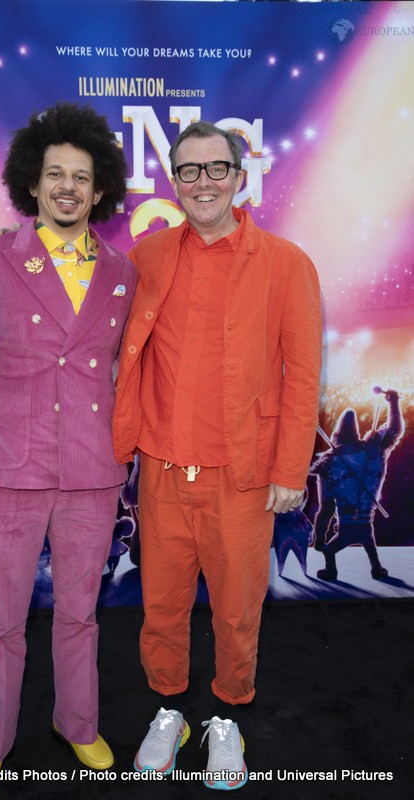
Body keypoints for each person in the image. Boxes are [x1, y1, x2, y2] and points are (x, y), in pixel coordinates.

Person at [0, 102, 135, 799]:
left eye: (81, 176)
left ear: (100, 188)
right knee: (3, 620)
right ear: (34, 182)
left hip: (90, 472)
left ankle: (79, 725)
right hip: (8, 469)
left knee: (80, 613)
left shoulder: (122, 274)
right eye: (55, 174)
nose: (68, 187)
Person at [112, 120, 322, 789]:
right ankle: (169, 709)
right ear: (175, 182)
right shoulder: (146, 258)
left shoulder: (288, 263)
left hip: (245, 472)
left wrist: (291, 468)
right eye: (189, 171)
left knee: (236, 607)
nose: (203, 182)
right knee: (162, 603)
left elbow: (303, 374)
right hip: (163, 469)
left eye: (216, 169)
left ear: (240, 176)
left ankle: (227, 718)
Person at [311, 389, 404, 581]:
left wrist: (319, 537)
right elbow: (395, 429)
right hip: (366, 522)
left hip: (345, 525)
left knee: (330, 551)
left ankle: (332, 572)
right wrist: (393, 402)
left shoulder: (327, 464)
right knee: (370, 546)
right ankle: (377, 569)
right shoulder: (373, 449)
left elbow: (326, 508)